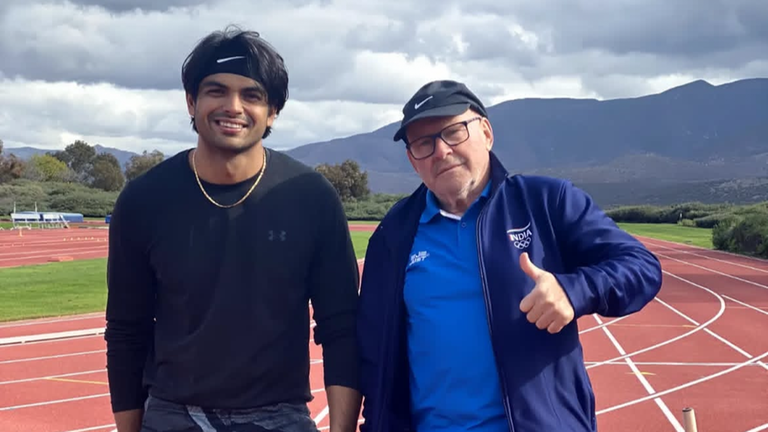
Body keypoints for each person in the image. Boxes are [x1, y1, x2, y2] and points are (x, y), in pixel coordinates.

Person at [356, 80, 663, 432]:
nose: (440, 151)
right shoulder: (394, 233)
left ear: (486, 132)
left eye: (453, 132)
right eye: (424, 143)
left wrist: (573, 290)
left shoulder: (547, 202)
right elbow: (375, 353)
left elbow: (640, 266)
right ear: (413, 160)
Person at [104, 26, 362, 432]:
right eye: (216, 91)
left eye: (252, 95)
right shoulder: (143, 200)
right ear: (191, 102)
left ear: (272, 111)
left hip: (279, 415)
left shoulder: (312, 198)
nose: (233, 106)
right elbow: (125, 331)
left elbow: (341, 326)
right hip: (173, 413)